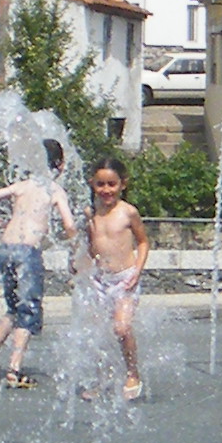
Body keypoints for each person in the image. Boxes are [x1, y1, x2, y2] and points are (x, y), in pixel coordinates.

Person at [0, 136, 75, 391]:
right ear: (60, 165)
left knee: (13, 306)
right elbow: (69, 225)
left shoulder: (23, 185)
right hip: (28, 251)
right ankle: (15, 369)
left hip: (6, 249)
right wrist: (70, 242)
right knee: (29, 309)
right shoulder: (55, 190)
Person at [80, 154, 148, 402]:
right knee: (97, 331)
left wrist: (137, 271)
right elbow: (89, 245)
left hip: (125, 278)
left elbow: (143, 242)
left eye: (112, 184)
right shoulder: (90, 213)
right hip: (100, 279)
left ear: (123, 184)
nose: (106, 190)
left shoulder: (128, 212)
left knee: (121, 328)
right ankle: (103, 378)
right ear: (92, 184)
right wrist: (81, 267)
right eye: (100, 184)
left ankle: (132, 373)